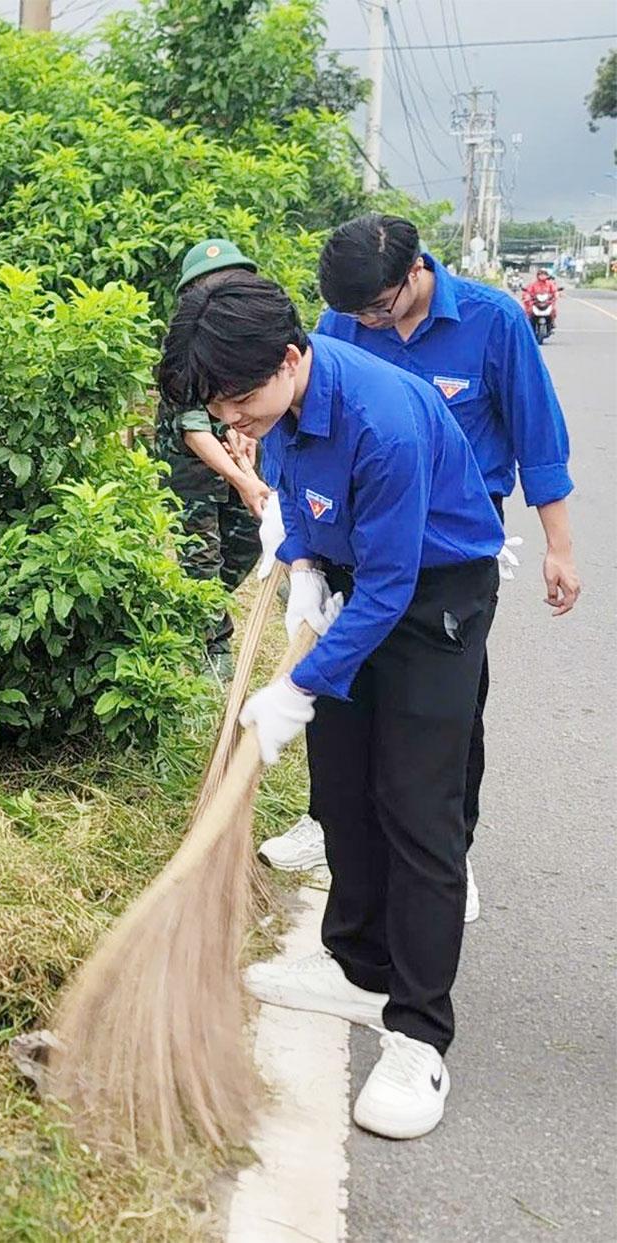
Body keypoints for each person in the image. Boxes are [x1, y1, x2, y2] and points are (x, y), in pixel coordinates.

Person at [161, 271, 504, 1140]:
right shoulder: (271, 409)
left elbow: (393, 591)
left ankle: (419, 1033)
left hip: (435, 598)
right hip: (355, 581)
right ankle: (356, 965)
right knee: (343, 790)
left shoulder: (381, 418)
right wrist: (305, 561)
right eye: (218, 409)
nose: (233, 423)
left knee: (415, 809)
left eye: (240, 400)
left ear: (290, 357)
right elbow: (303, 498)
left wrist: (295, 686)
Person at [271, 214, 583, 920]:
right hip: (363, 540)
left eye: (381, 306)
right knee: (343, 696)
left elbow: (538, 437)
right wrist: (299, 552)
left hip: (450, 553)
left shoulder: (491, 320)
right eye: (357, 315)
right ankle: (329, 823)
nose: (371, 322)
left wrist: (558, 547)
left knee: (445, 711)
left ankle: (448, 849)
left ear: (416, 272)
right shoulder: (344, 323)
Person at [153, 239, 270, 670]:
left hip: (238, 470)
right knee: (202, 561)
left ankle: (186, 620)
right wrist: (243, 480)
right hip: (193, 479)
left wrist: (249, 449)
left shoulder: (251, 339)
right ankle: (209, 664)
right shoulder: (184, 346)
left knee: (244, 548)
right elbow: (195, 430)